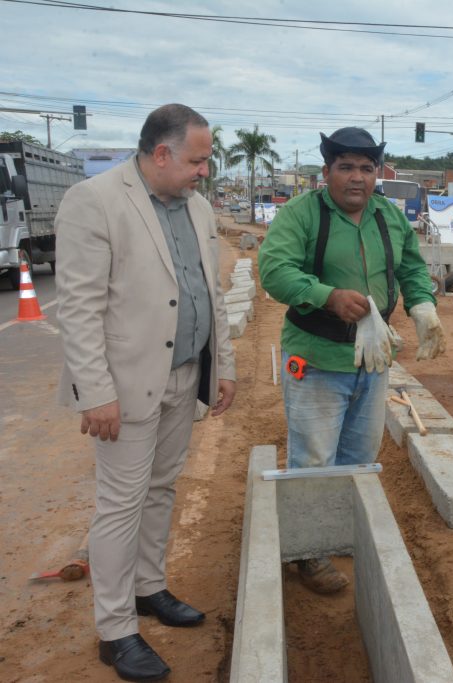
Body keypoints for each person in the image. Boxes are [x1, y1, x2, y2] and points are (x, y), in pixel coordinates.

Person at [55, 103, 237, 682]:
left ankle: (148, 588)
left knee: (161, 489)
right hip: (125, 387)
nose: (204, 171)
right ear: (161, 154)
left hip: (184, 375)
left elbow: (209, 291)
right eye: (196, 160)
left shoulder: (199, 206)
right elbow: (79, 308)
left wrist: (223, 365)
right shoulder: (96, 200)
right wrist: (94, 392)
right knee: (120, 505)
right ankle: (115, 631)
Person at [258, 127, 445, 593]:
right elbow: (276, 271)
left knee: (360, 456)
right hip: (317, 358)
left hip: (373, 356)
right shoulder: (302, 214)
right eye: (346, 168)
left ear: (377, 174)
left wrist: (422, 304)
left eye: (366, 168)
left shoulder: (387, 215)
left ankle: (337, 529)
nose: (357, 178)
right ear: (327, 173)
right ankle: (309, 554)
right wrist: (326, 296)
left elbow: (410, 266)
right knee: (315, 458)